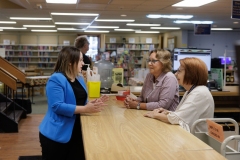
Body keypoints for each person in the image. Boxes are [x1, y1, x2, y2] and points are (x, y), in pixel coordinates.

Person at [39, 46, 108, 160]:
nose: (83, 63)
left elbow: (78, 100)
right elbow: (57, 106)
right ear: (70, 62)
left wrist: (91, 103)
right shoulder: (56, 79)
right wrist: (85, 109)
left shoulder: (79, 78)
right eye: (80, 60)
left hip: (76, 131)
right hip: (57, 134)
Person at [144, 57, 214, 132]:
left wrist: (155, 115)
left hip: (195, 140)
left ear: (190, 74)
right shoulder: (191, 91)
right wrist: (167, 112)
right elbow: (181, 115)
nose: (176, 74)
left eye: (179, 71)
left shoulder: (199, 93)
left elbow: (176, 119)